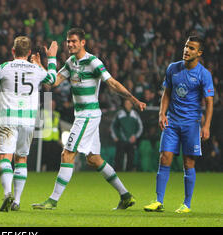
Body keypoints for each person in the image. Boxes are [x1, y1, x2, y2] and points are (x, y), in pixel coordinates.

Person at [31, 28, 146, 210]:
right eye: (68, 41)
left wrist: (133, 99)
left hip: (88, 115)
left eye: (74, 41)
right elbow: (52, 82)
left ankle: (52, 201)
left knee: (67, 154)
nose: (70, 44)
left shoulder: (93, 62)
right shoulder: (70, 62)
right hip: (84, 115)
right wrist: (40, 65)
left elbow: (112, 83)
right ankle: (125, 196)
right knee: (94, 159)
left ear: (83, 42)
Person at [0, 36, 58, 211]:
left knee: (5, 158)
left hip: (8, 120)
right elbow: (52, 79)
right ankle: (17, 201)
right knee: (22, 159)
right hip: (28, 121)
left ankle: (7, 194)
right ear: (29, 53)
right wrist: (51, 58)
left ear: (13, 51)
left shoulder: (4, 67)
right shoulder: (36, 69)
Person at [143, 36, 214, 213]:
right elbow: (167, 92)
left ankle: (187, 204)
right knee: (164, 157)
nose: (186, 50)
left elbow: (209, 102)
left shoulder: (203, 74)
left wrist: (206, 126)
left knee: (188, 163)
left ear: (199, 53)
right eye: (185, 46)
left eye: (191, 48)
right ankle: (159, 201)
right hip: (172, 122)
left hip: (191, 123)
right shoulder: (172, 68)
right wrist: (162, 113)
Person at [110, 99, 144, 171]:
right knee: (119, 159)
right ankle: (117, 174)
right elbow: (113, 126)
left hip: (131, 140)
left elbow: (140, 127)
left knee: (131, 159)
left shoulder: (135, 114)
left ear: (132, 105)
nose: (128, 105)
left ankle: (129, 173)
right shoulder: (119, 114)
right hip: (121, 140)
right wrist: (115, 137)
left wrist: (135, 136)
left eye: (129, 103)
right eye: (126, 103)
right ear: (124, 104)